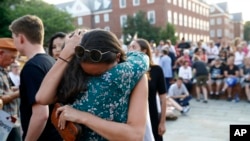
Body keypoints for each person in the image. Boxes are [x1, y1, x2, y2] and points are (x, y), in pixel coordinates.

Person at [36, 29, 150, 140]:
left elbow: (135, 135)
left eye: (101, 74)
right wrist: (65, 54)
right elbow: (42, 97)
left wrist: (83, 117)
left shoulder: (134, 75)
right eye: (89, 75)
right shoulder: (76, 74)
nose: (97, 81)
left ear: (117, 57)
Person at [9, 15, 62, 141]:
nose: (14, 42)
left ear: (21, 38)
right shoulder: (50, 61)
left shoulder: (32, 67)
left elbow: (41, 115)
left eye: (14, 38)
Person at [129, 39, 166, 141]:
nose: (130, 50)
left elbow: (163, 98)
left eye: (134, 47)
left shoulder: (156, 70)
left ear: (144, 51)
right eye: (129, 47)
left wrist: (162, 122)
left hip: (152, 114)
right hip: (133, 116)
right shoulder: (129, 71)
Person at [0, 38, 21, 141]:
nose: (14, 62)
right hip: (4, 118)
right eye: (12, 57)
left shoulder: (3, 70)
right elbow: (1, 99)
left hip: (8, 117)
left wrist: (15, 89)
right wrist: (19, 92)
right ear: (1, 53)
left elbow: (5, 90)